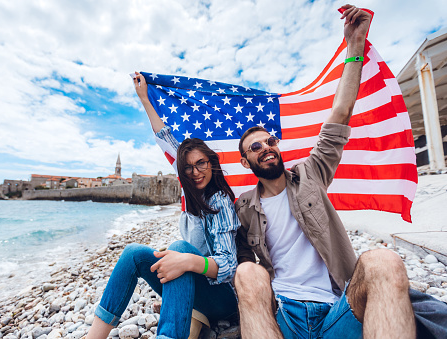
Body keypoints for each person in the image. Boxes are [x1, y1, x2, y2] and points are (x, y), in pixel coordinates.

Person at [233, 5, 415, 339]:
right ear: (246, 162)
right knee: (246, 273)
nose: (267, 147)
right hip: (283, 316)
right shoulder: (242, 207)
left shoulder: (310, 173)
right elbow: (200, 188)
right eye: (256, 147)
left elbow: (341, 112)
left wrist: (354, 45)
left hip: (337, 307)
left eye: (270, 140)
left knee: (382, 261)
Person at [86, 72, 240, 339]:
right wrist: (145, 98)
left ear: (210, 163)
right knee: (134, 252)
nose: (195, 172)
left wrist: (188, 260)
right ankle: (93, 336)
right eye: (188, 167)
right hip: (194, 285)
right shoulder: (188, 187)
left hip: (223, 300)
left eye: (201, 163)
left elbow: (229, 266)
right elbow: (165, 137)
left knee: (178, 250)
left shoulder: (220, 200)